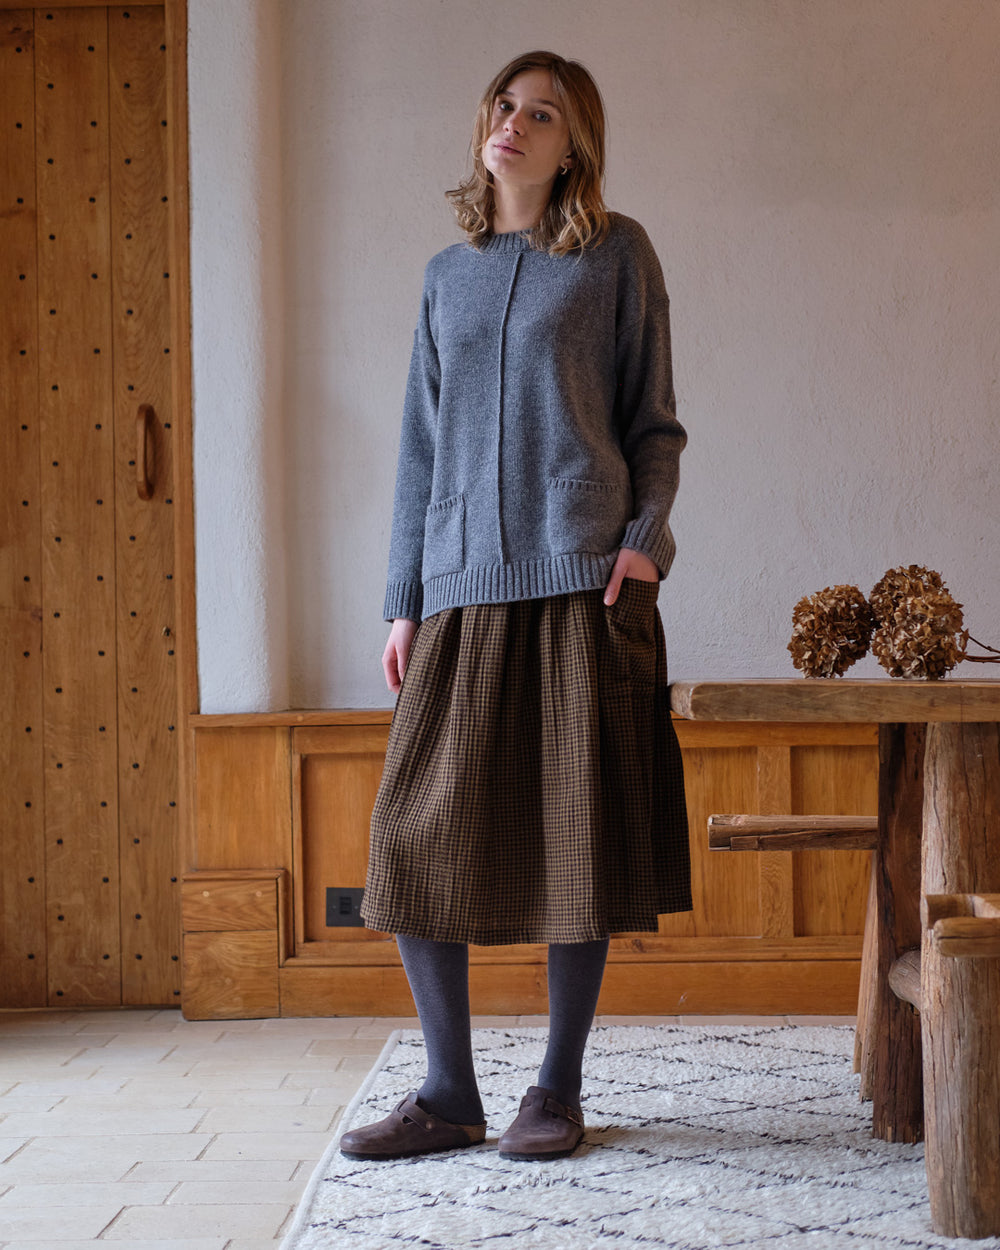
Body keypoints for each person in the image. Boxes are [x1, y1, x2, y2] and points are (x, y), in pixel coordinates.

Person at [340, 50, 691, 1164]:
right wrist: (404, 600)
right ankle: (449, 1092)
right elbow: (419, 446)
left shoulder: (615, 255)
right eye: (505, 105)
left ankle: (557, 1087)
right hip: (457, 590)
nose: (515, 124)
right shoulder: (447, 275)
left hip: (583, 580)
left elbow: (653, 423)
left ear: (573, 145)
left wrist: (642, 545)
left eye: (543, 114)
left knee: (575, 841)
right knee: (410, 838)